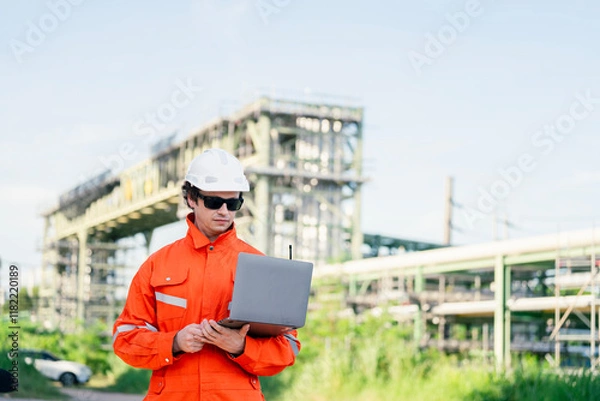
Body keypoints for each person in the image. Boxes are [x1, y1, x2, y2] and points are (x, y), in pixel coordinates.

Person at [113, 148, 300, 400]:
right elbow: (125, 338)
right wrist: (174, 343)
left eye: (233, 203)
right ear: (191, 197)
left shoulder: (259, 266)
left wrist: (241, 346)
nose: (224, 211)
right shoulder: (158, 265)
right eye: (213, 202)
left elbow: (287, 348)